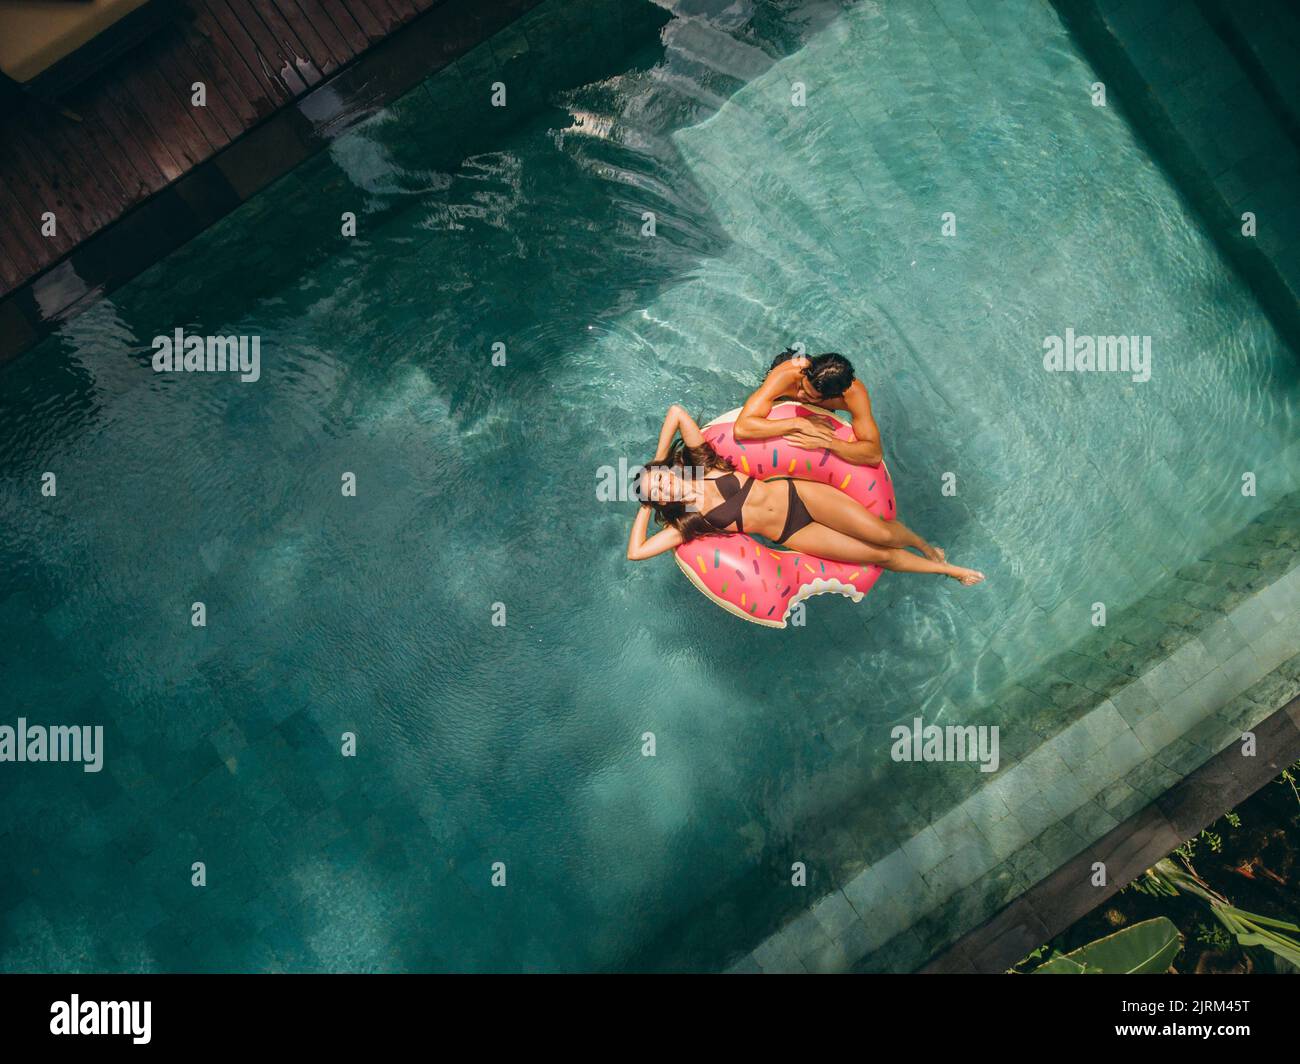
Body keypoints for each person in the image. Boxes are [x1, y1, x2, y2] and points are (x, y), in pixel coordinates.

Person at [626, 405, 985, 586]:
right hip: (792, 532)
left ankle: (923, 545)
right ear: (660, 501)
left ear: (667, 470)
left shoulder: (702, 464)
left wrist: (658, 458)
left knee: (883, 533)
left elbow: (676, 412)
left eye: (660, 478)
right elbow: (636, 552)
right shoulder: (688, 522)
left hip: (802, 496)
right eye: (658, 492)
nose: (664, 485)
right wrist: (645, 506)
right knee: (878, 555)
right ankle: (949, 571)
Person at [734, 349, 881, 465]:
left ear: (833, 398)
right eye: (801, 386)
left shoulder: (853, 396)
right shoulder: (787, 374)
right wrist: (799, 423)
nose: (799, 394)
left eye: (810, 396)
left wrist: (827, 442)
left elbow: (874, 454)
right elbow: (742, 428)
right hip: (788, 374)